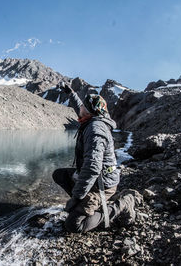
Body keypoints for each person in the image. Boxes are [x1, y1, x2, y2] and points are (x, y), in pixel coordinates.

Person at [53, 82, 142, 233]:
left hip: (102, 184)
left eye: (83, 108)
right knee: (59, 175)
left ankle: (123, 204)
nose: (79, 109)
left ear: (89, 112)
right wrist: (70, 92)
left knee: (74, 225)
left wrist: (76, 197)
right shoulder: (92, 118)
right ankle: (88, 205)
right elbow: (80, 106)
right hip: (97, 178)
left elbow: (92, 168)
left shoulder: (95, 129)